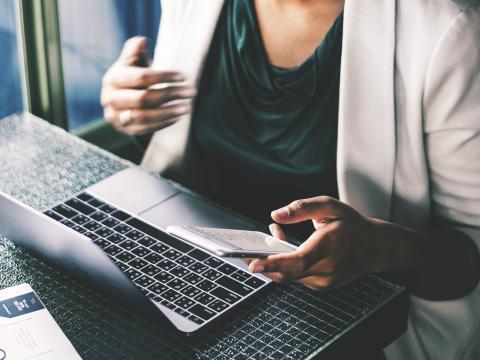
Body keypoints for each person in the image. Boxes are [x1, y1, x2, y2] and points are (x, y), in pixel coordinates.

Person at [100, 0, 480, 359]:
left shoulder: (448, 32)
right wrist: (134, 111)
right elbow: (188, 149)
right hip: (193, 278)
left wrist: (380, 250)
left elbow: (468, 261)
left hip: (342, 320)